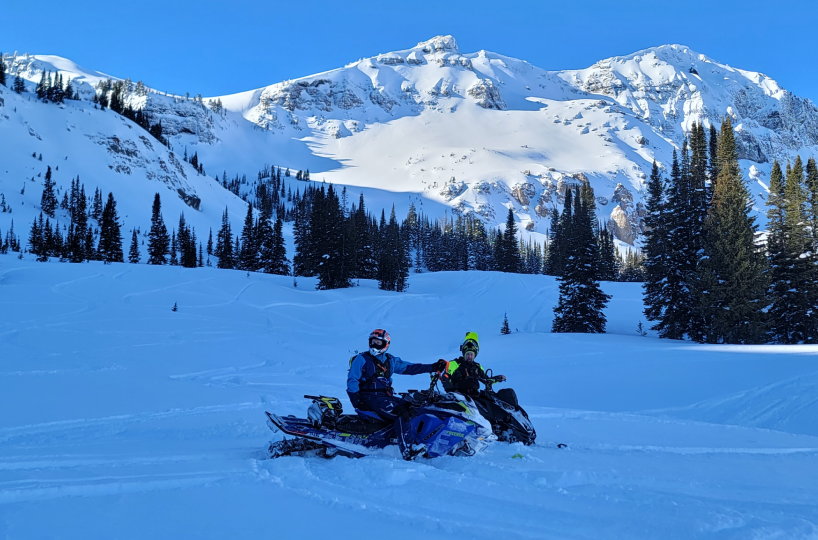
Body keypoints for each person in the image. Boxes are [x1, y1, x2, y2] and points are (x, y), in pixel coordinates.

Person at [347, 328, 446, 422]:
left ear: (385, 344)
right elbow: (353, 380)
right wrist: (357, 402)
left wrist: (433, 367)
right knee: (401, 414)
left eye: (378, 342)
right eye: (373, 342)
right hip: (370, 397)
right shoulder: (361, 359)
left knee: (413, 408)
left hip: (386, 396)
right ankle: (404, 440)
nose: (374, 345)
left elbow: (410, 368)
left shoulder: (390, 360)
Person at [442, 332, 505, 396]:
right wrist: (452, 391)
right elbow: (445, 377)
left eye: (471, 354)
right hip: (459, 396)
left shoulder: (477, 366)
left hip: (474, 396)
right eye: (467, 354)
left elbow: (486, 380)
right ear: (464, 354)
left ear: (474, 355)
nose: (469, 356)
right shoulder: (455, 363)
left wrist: (498, 378)